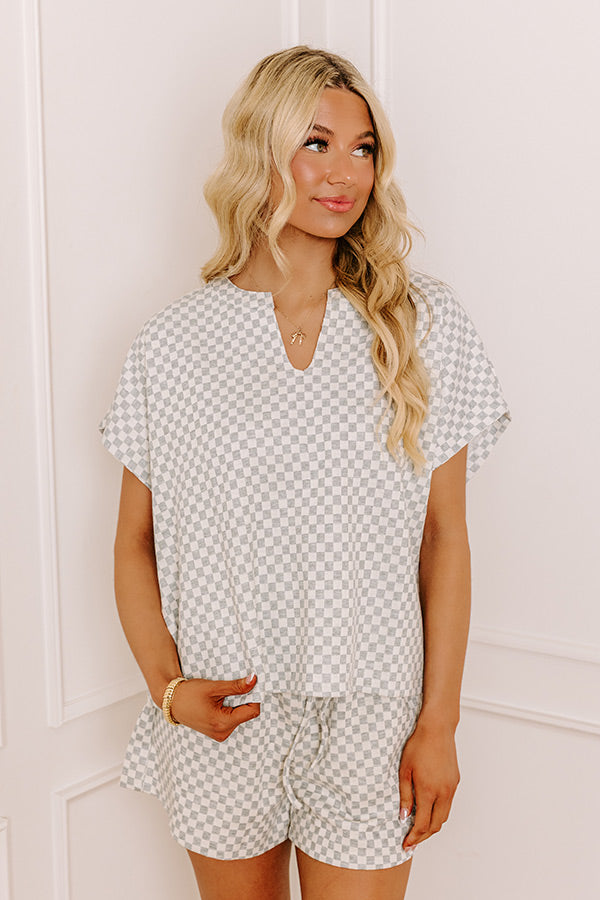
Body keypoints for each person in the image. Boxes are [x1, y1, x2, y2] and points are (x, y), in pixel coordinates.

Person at [99, 46, 511, 900]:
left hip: (373, 718)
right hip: (226, 716)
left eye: (364, 149)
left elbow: (445, 538)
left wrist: (439, 721)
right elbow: (135, 541)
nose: (346, 172)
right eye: (316, 143)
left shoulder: (421, 324)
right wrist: (168, 691)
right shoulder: (172, 345)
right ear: (262, 150)